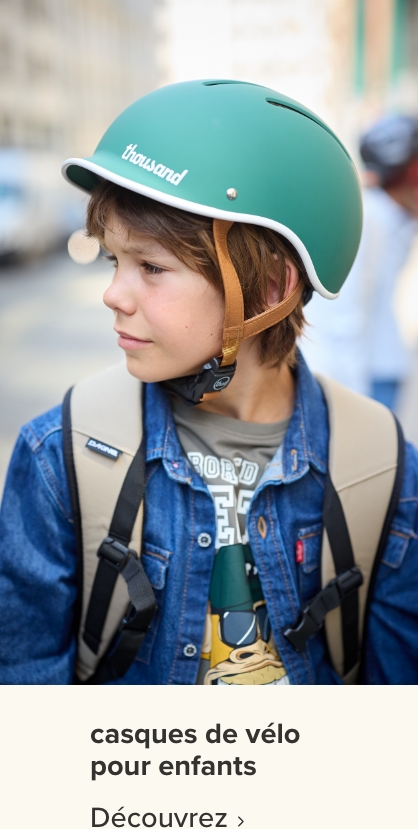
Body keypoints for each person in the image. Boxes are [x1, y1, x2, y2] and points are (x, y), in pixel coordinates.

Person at [0, 80, 417, 685]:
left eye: (151, 267)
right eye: (114, 261)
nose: (113, 294)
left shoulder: (380, 469)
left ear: (271, 288)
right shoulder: (60, 457)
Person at [301, 114, 418, 410]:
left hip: (382, 366)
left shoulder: (397, 216)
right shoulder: (369, 219)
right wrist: (353, 406)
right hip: (364, 379)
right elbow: (345, 319)